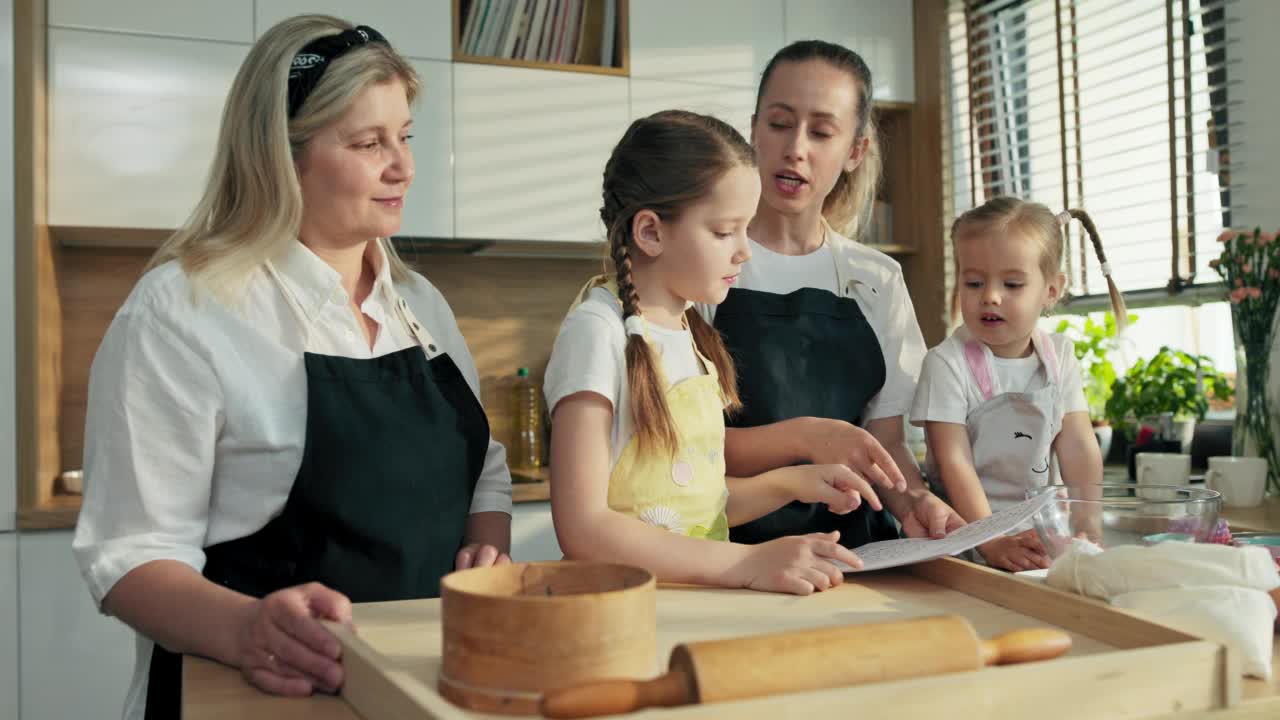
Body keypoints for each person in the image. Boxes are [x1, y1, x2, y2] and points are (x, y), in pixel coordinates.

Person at [71, 15, 513, 719]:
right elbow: (127, 557)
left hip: (415, 690)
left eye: (404, 136)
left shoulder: (420, 305)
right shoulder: (184, 310)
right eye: (369, 143)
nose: (404, 166)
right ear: (281, 154)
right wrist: (248, 630)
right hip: (253, 695)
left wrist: (487, 560)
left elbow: (484, 471)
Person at [545, 110, 870, 596]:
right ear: (650, 232)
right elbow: (583, 527)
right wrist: (748, 561)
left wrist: (793, 483)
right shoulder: (597, 332)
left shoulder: (692, 334)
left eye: (745, 230)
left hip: (690, 599)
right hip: (622, 609)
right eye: (724, 232)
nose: (745, 252)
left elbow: (694, 504)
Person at [697, 40, 965, 548]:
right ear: (753, 129)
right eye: (779, 124)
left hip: (852, 550)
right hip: (727, 547)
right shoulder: (703, 267)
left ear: (855, 151)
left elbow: (885, 447)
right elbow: (680, 454)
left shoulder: (876, 279)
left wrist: (915, 501)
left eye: (822, 132)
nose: (796, 147)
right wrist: (808, 437)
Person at [910, 197, 1121, 571]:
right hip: (965, 538)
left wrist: (1088, 523)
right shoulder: (946, 363)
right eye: (973, 282)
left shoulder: (1059, 356)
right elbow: (953, 461)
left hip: (1038, 533)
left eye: (1011, 283)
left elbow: (1077, 445)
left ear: (1051, 291)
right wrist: (991, 540)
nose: (990, 295)